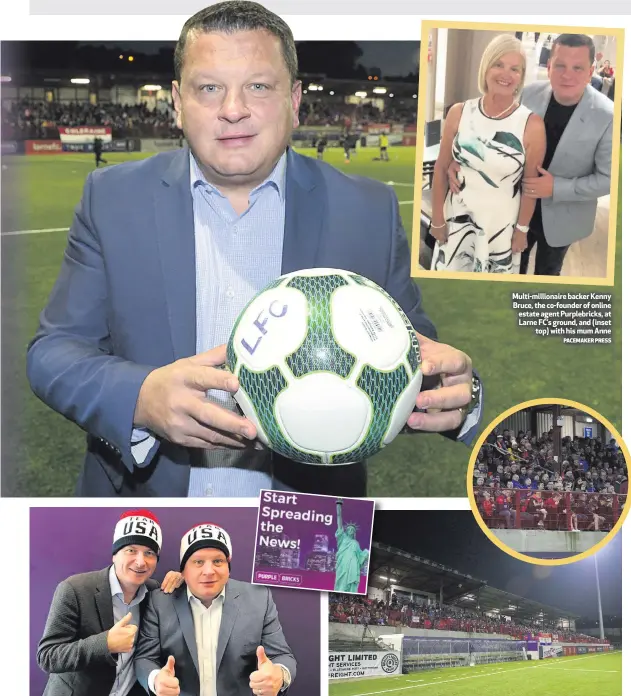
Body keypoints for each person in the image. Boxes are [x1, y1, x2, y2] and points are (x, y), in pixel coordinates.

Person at [27, 1, 480, 499]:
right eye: (209, 87)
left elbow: (411, 357)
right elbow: (54, 353)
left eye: (258, 86)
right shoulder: (112, 198)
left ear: (296, 99)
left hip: (303, 523)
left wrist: (455, 389)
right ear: (177, 102)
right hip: (145, 510)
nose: (233, 108)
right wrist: (141, 397)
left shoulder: (365, 208)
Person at [448, 34, 614, 276]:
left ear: (590, 73)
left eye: (577, 68)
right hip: (514, 208)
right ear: (548, 66)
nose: (567, 75)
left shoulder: (608, 116)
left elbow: (608, 179)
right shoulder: (529, 93)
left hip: (562, 217)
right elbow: (497, 133)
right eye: (560, 65)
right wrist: (461, 158)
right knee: (511, 270)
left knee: (546, 276)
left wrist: (556, 187)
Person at [134, 523, 296, 696]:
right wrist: (155, 679)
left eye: (218, 561)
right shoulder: (159, 602)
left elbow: (282, 656)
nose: (209, 571)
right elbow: (145, 658)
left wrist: (280, 674)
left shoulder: (259, 598)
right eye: (198, 562)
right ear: (183, 570)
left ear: (228, 567)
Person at [430, 34, 546, 274]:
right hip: (457, 220)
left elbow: (530, 186)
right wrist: (437, 219)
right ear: (485, 67)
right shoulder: (459, 112)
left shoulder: (531, 124)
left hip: (500, 228)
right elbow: (441, 168)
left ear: (521, 77)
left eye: (514, 69)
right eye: (498, 64)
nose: (506, 74)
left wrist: (522, 230)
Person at [37, 511, 181, 696]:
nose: (140, 561)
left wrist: (183, 582)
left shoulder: (155, 593)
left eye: (149, 553)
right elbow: (48, 656)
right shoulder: (74, 589)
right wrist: (105, 644)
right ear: (115, 554)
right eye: (131, 550)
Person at [334, 498, 369, 592]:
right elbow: (339, 519)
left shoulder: (356, 543)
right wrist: (338, 505)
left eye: (352, 530)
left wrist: (366, 553)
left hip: (353, 563)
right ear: (346, 530)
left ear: (354, 532)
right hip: (343, 562)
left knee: (351, 585)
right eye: (349, 529)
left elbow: (360, 555)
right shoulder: (342, 537)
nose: (350, 530)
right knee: (341, 582)